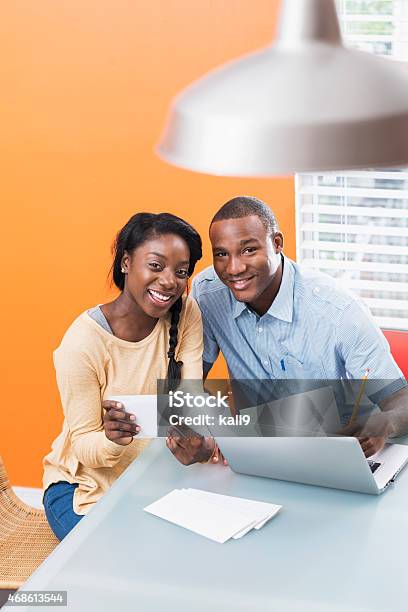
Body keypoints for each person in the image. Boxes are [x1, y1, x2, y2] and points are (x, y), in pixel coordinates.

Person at [166, 196, 408, 466]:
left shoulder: (338, 311)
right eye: (222, 254)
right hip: (261, 455)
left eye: (248, 250)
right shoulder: (208, 292)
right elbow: (188, 385)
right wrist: (211, 433)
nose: (234, 268)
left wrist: (382, 424)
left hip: (341, 453)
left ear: (277, 243)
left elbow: (401, 399)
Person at [42, 212, 208, 541]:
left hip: (152, 478)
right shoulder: (82, 344)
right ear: (126, 263)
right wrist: (112, 439)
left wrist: (200, 438)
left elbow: (192, 400)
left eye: (181, 271)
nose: (170, 281)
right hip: (84, 492)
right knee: (126, 558)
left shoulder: (186, 312)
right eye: (156, 265)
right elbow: (86, 445)